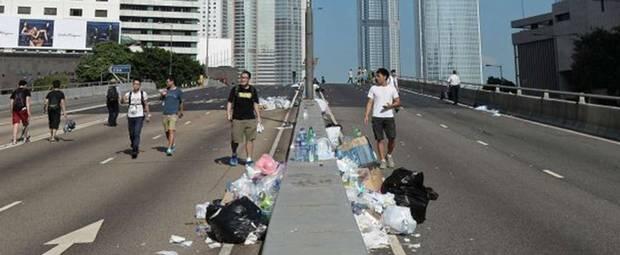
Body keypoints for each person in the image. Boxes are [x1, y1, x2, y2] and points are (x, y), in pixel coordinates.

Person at [364, 68, 401, 169]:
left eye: (378, 76)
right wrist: (367, 115)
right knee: (379, 139)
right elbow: (370, 102)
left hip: (389, 116)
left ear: (385, 77)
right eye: (376, 76)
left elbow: (398, 102)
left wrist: (390, 106)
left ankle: (388, 155)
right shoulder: (373, 88)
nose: (376, 78)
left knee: (392, 138)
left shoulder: (392, 89)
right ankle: (383, 160)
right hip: (377, 117)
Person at [227, 71, 261, 166]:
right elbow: (230, 102)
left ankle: (249, 159)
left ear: (249, 79)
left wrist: (258, 117)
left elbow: (255, 104)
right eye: (242, 77)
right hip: (237, 119)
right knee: (235, 140)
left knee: (250, 139)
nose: (243, 79)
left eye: (245, 78)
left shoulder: (253, 90)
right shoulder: (235, 89)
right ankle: (234, 155)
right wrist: (228, 114)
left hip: (250, 118)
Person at [123, 79, 151, 159]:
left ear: (140, 85)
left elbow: (146, 104)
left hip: (139, 115)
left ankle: (135, 149)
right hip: (130, 115)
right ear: (132, 85)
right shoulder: (129, 94)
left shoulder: (143, 93)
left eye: (138, 84)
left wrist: (147, 115)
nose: (136, 86)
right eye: (135, 84)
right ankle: (133, 143)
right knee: (131, 133)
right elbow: (122, 102)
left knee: (136, 132)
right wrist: (122, 98)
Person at [160, 77, 184, 156]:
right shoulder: (166, 90)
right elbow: (161, 99)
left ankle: (169, 148)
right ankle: (172, 144)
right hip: (165, 113)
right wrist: (162, 95)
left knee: (171, 130)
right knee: (167, 132)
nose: (167, 83)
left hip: (173, 113)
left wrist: (181, 111)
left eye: (168, 81)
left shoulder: (178, 91)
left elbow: (181, 102)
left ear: (172, 82)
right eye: (166, 82)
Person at [10, 80, 31, 145]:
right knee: (25, 124)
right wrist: (28, 111)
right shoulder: (26, 91)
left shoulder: (15, 91)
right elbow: (27, 102)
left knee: (15, 124)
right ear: (24, 85)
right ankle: (25, 138)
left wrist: (11, 111)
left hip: (15, 110)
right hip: (23, 109)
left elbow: (11, 102)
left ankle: (14, 140)